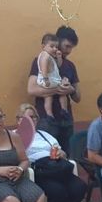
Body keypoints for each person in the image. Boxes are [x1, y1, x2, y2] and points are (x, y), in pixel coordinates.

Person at [17, 104, 87, 202]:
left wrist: (61, 153)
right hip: (39, 171)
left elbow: (60, 150)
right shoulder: (16, 136)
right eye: (27, 117)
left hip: (57, 167)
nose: (32, 120)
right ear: (19, 119)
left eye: (34, 117)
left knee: (80, 187)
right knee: (58, 191)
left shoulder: (44, 135)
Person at [27, 25, 80, 155]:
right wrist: (57, 90)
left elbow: (78, 97)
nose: (69, 51)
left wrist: (71, 89)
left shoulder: (70, 65)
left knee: (68, 156)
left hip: (66, 119)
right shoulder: (41, 60)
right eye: (67, 46)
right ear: (58, 41)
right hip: (46, 119)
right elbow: (31, 89)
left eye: (72, 48)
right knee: (48, 157)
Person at [35, 33, 70, 120]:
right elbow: (43, 68)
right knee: (63, 90)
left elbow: (58, 66)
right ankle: (64, 109)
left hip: (47, 80)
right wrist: (46, 79)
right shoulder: (45, 56)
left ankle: (49, 114)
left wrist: (58, 57)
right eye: (52, 46)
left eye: (56, 47)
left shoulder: (50, 56)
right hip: (48, 80)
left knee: (48, 97)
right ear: (43, 46)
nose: (54, 49)